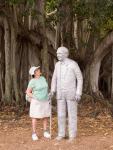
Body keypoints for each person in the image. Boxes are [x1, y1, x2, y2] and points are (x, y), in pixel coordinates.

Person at [50, 46, 83, 141]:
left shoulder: (73, 64)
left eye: (60, 53)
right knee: (60, 114)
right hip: (60, 93)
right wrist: (52, 90)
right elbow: (54, 78)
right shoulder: (57, 65)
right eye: (57, 53)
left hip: (71, 92)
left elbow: (80, 78)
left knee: (72, 114)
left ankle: (72, 135)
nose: (58, 55)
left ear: (66, 54)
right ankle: (61, 134)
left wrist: (78, 92)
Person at [26, 66, 50, 141]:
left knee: (45, 116)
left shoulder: (43, 78)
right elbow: (28, 92)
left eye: (38, 69)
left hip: (45, 100)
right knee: (35, 117)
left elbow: (45, 88)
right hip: (36, 102)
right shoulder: (32, 81)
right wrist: (34, 97)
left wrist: (48, 94)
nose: (39, 70)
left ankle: (45, 132)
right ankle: (34, 133)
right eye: (37, 70)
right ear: (34, 73)